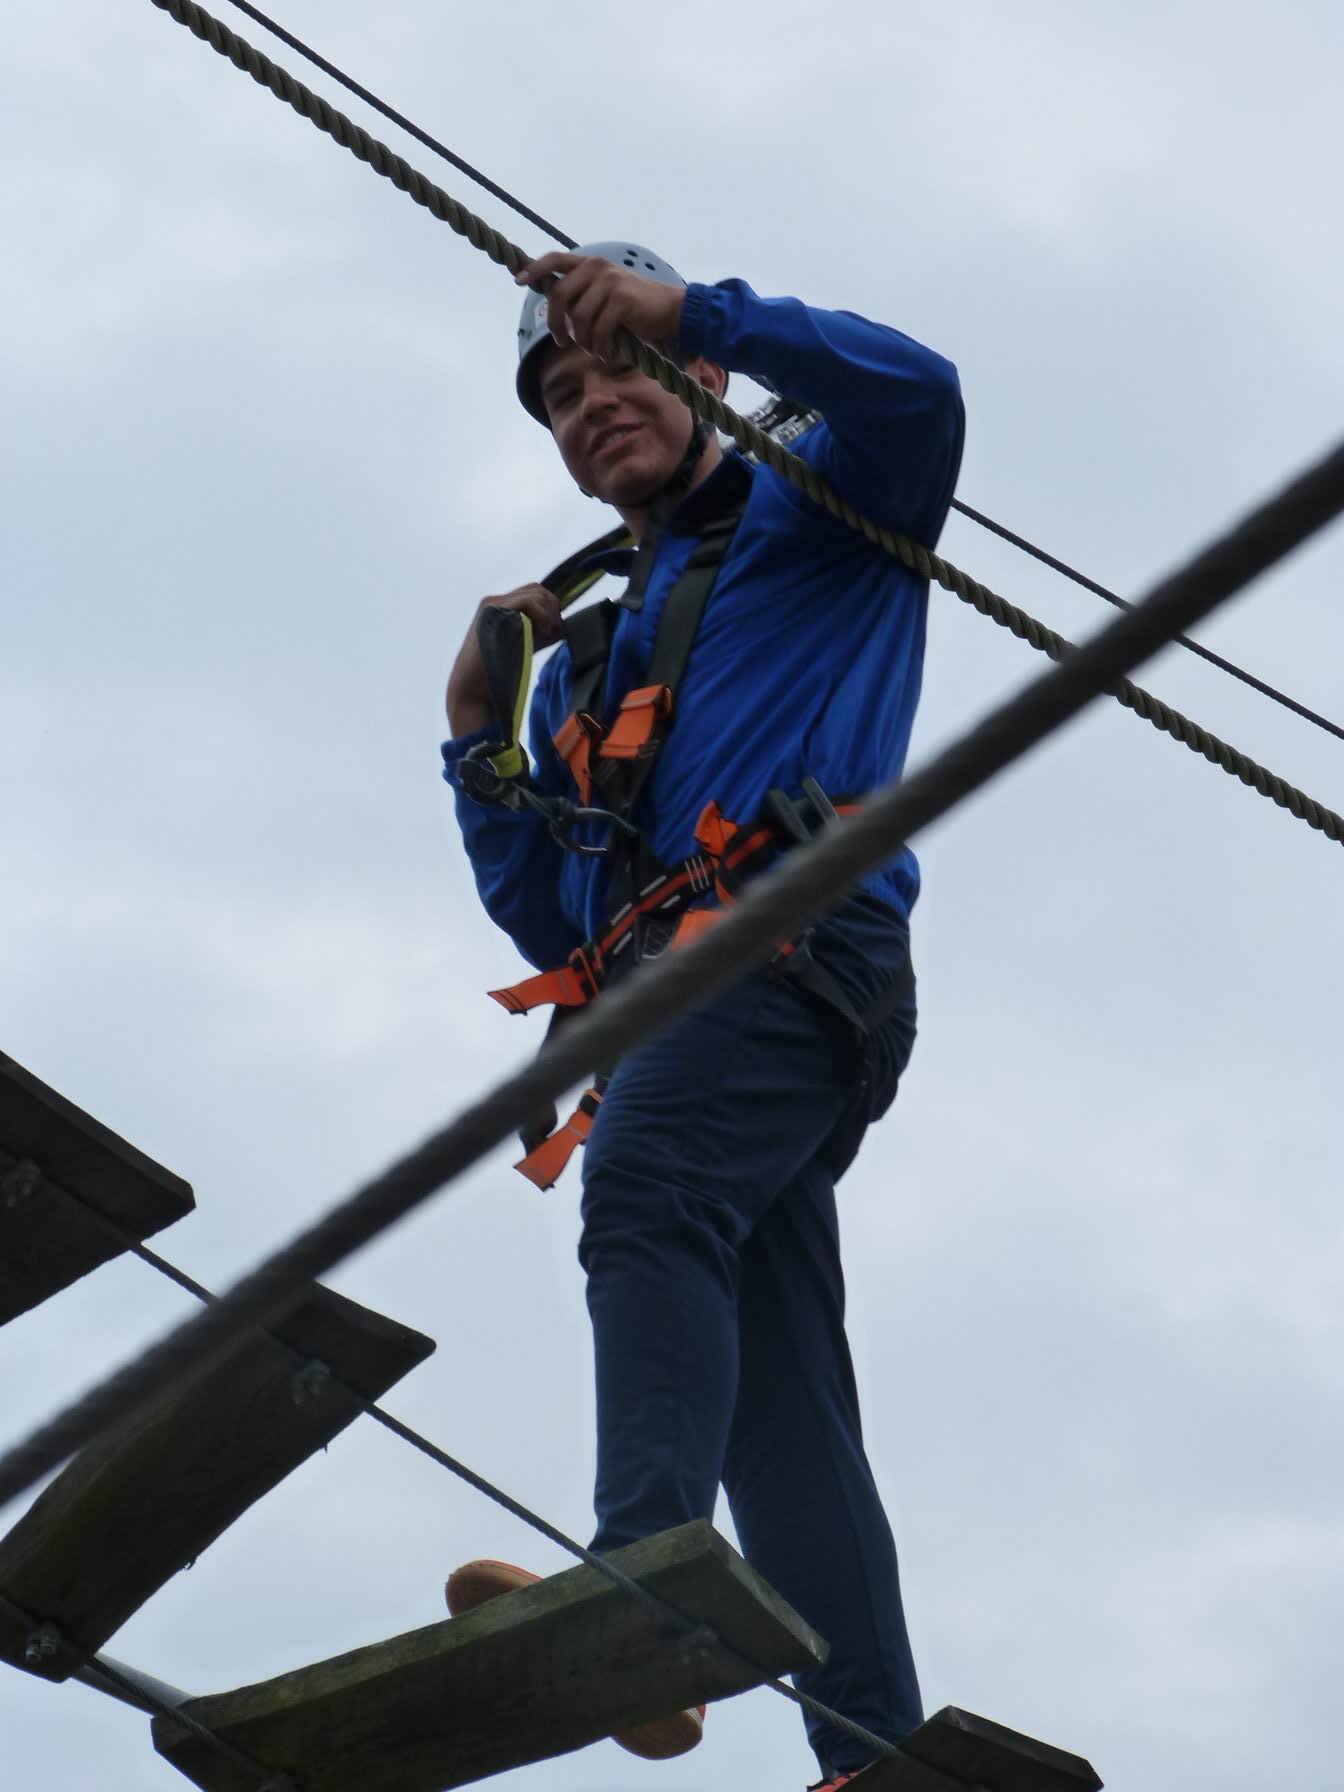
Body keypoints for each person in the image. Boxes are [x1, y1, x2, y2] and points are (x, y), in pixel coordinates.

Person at [440, 243, 964, 1791]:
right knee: (778, 1401)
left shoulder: (818, 506)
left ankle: (642, 1585)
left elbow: (920, 395)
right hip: (687, 992)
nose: (594, 402)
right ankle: (872, 1749)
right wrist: (477, 737)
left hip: (792, 948)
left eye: (621, 368)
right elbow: (557, 920)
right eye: (563, 393)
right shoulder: (588, 662)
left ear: (705, 384)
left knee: (650, 1194)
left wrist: (690, 310)